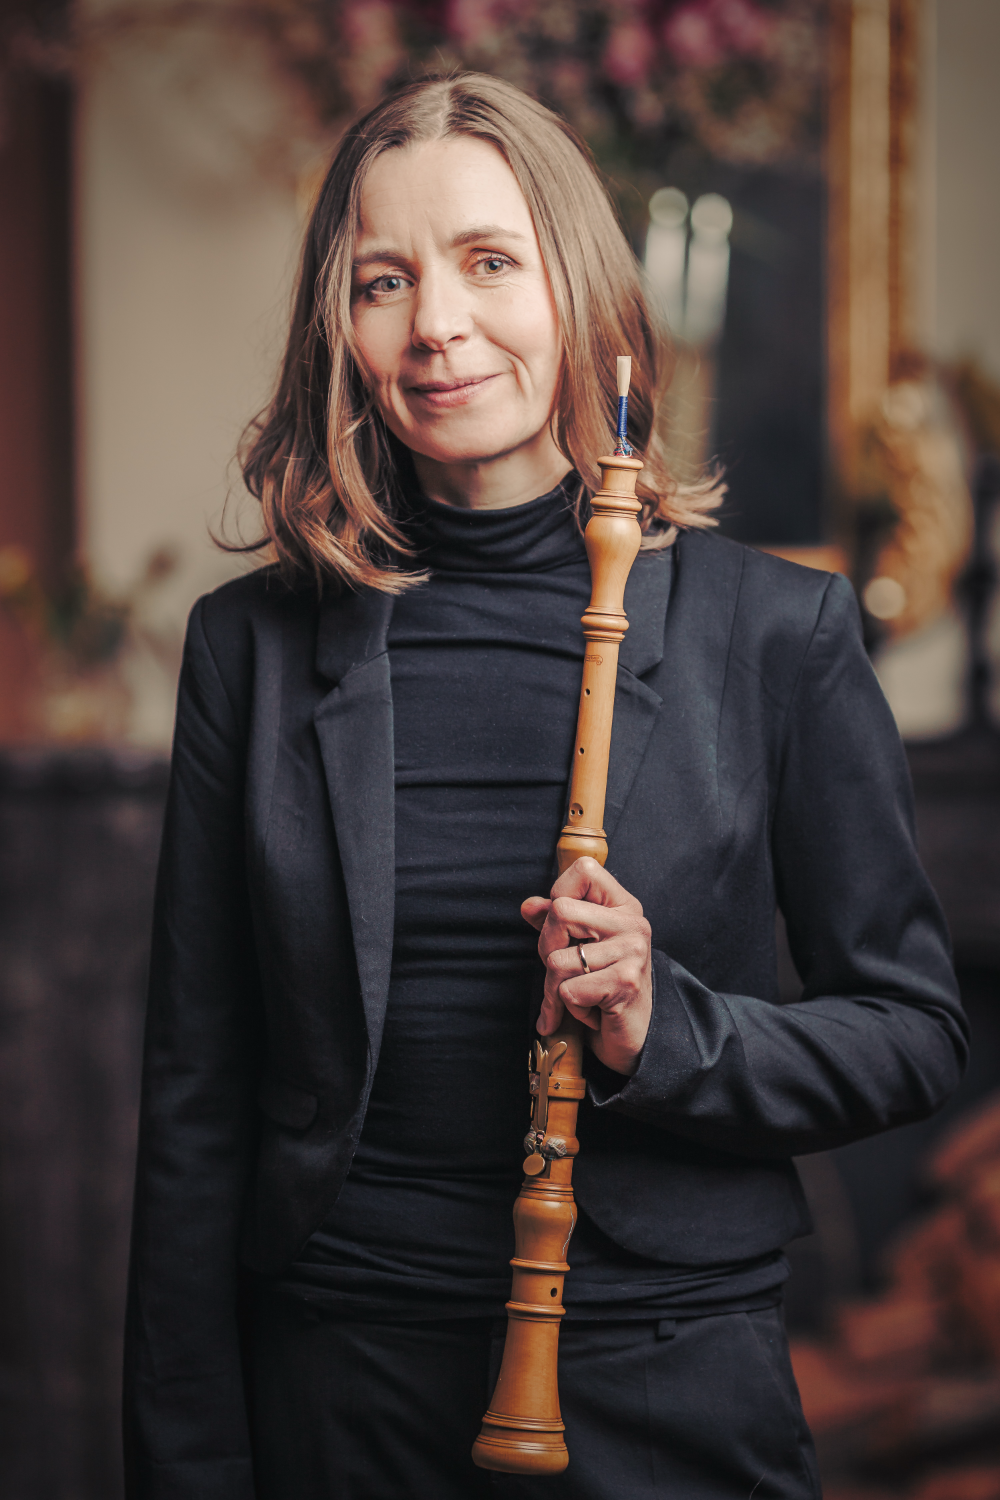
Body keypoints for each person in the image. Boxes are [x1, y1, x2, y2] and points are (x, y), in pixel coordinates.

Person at [123, 73, 967, 1500]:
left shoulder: (778, 633)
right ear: (341, 328)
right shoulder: (250, 649)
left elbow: (913, 1033)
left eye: (489, 262)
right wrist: (190, 1462)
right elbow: (196, 1097)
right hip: (345, 1373)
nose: (437, 325)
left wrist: (663, 1028)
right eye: (384, 280)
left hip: (666, 1370)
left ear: (579, 290)